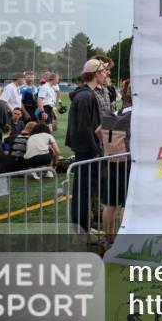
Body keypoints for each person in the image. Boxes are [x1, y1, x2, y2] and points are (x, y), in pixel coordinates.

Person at [66, 59, 105, 231]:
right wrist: (96, 149)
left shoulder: (87, 94)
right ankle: (82, 229)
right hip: (87, 149)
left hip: (88, 148)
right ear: (96, 73)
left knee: (86, 190)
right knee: (83, 191)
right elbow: (84, 128)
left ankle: (84, 227)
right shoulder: (85, 96)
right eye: (103, 71)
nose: (106, 74)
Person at [100, 79, 132, 243]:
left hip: (111, 160)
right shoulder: (133, 115)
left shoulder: (116, 113)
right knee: (127, 203)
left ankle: (108, 239)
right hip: (128, 162)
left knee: (110, 203)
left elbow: (99, 131)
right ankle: (123, 241)